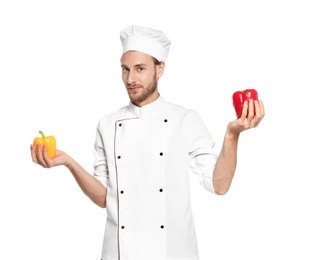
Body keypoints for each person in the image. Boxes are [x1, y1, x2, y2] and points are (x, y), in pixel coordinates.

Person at [31, 25, 265, 260]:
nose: (130, 79)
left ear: (160, 68)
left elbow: (219, 185)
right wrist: (68, 162)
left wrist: (232, 135)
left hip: (172, 253)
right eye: (125, 69)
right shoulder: (107, 124)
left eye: (140, 69)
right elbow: (104, 198)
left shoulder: (183, 119)